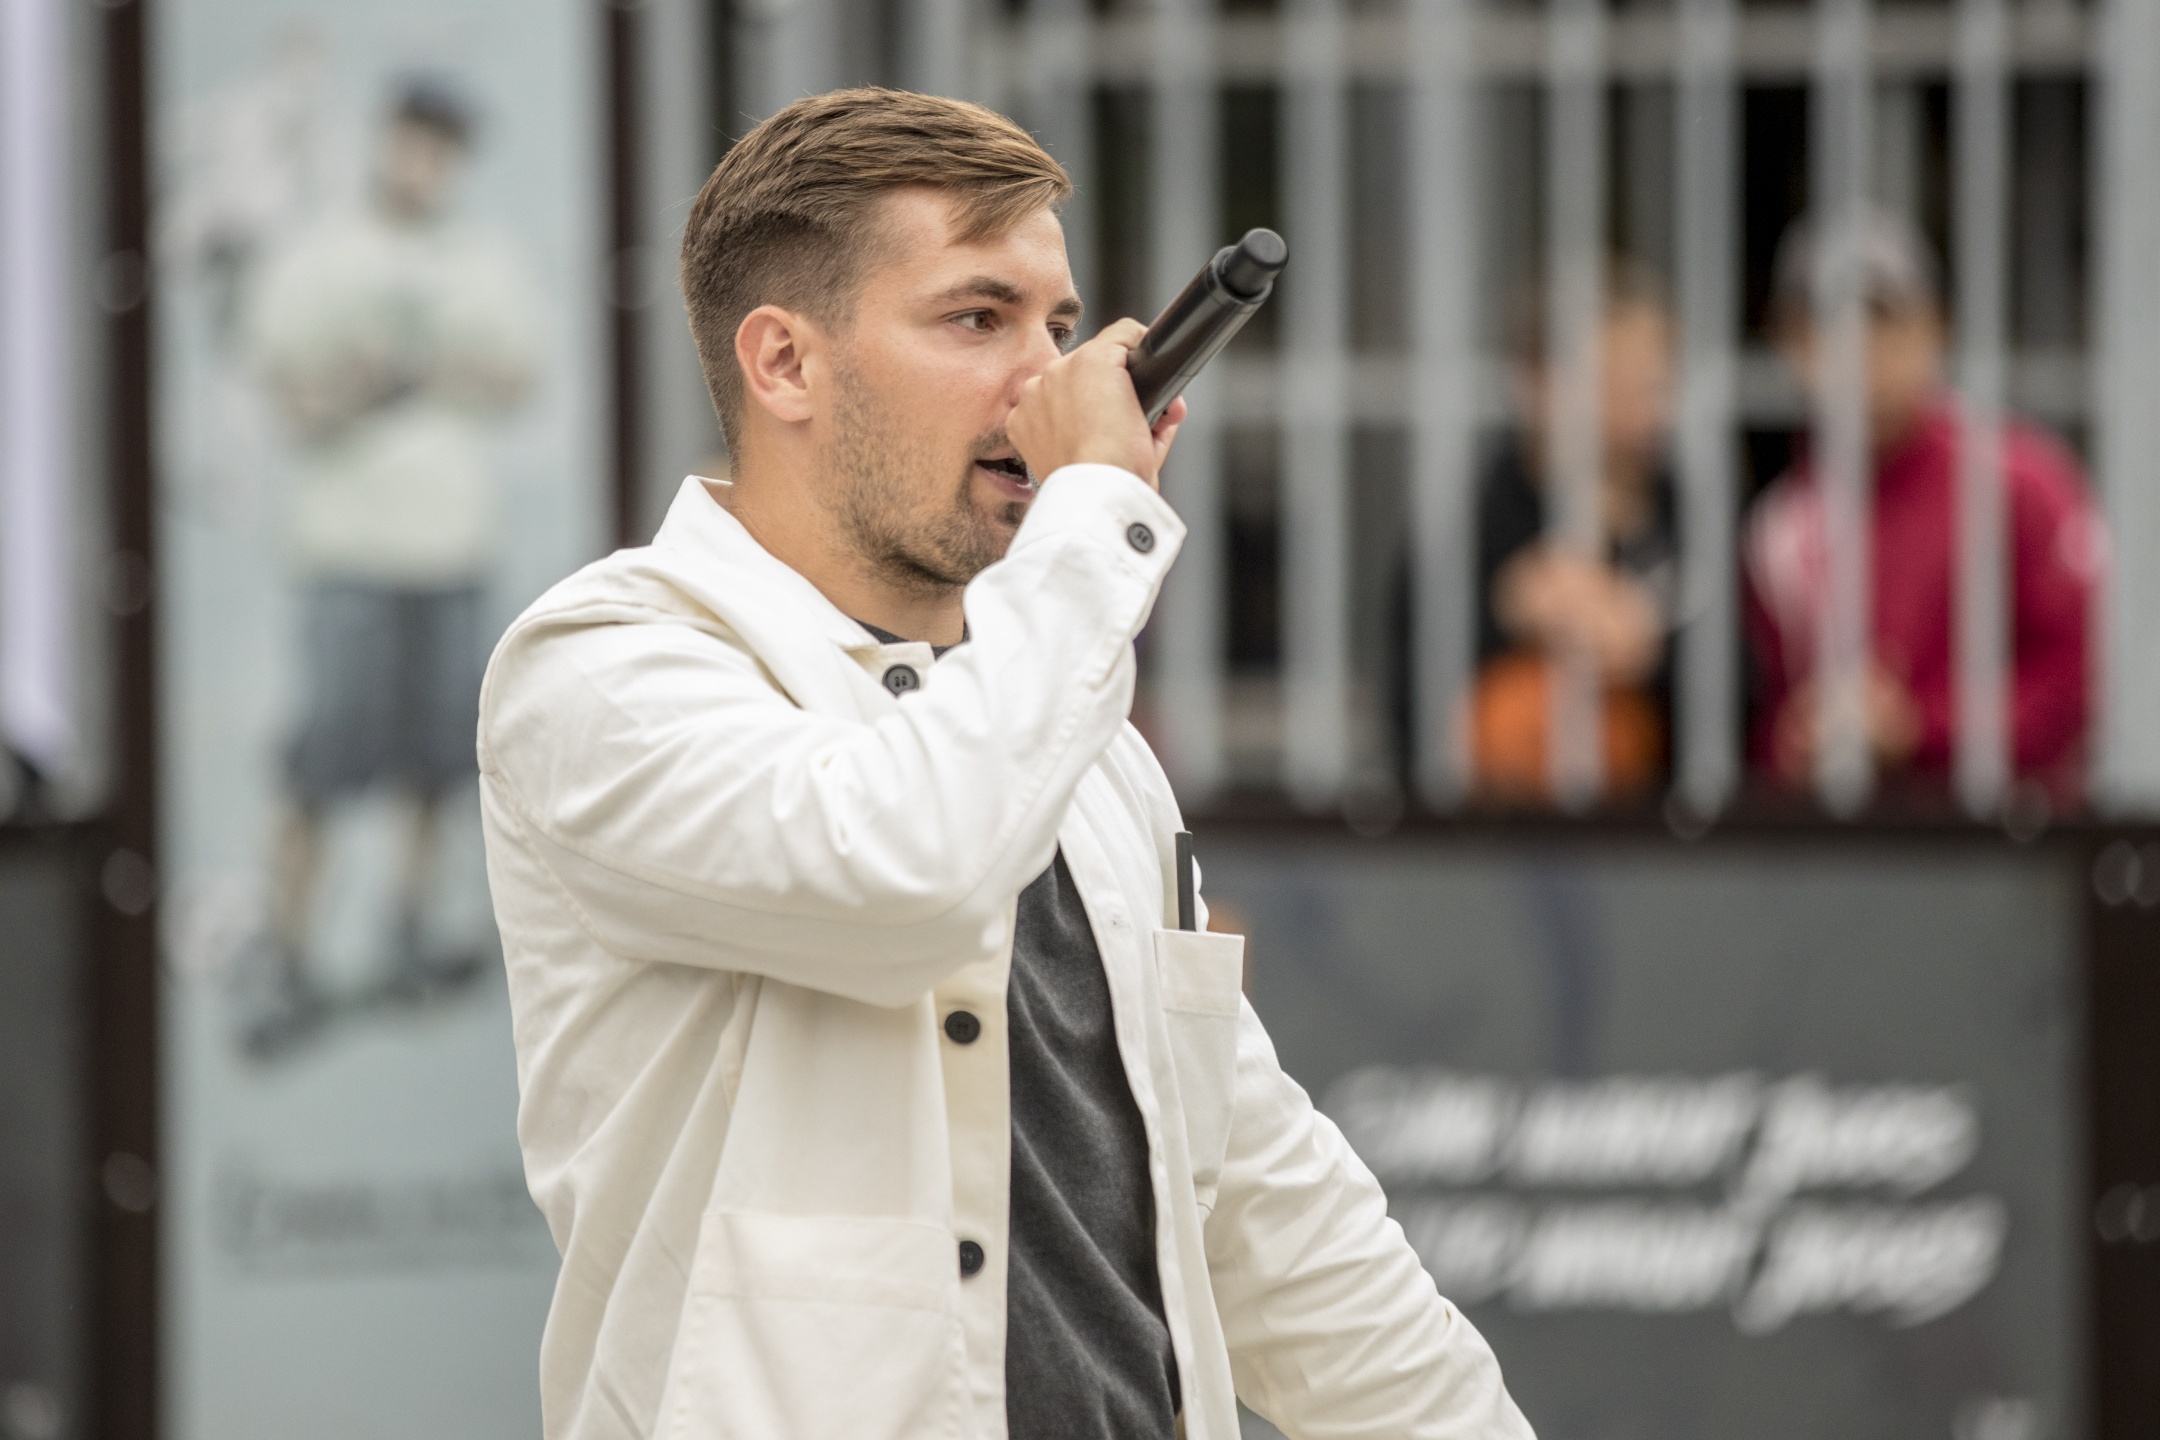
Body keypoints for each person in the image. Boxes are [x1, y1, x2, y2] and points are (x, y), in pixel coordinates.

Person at [479, 90, 1530, 1440]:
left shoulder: (1076, 737)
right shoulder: (601, 669)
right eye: (978, 319)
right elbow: (910, 875)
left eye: (1061, 327)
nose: (1050, 382)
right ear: (785, 364)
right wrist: (1093, 518)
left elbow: (1264, 1205)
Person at [240, 76, 540, 1053]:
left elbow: (519, 377)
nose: (425, 165)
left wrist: (427, 369)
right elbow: (288, 395)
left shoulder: (480, 257)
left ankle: (408, 929)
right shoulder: (324, 254)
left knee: (438, 759)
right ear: (386, 141)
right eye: (415, 142)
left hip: (450, 547)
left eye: (442, 149)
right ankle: (285, 950)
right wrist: (364, 383)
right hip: (349, 551)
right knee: (322, 760)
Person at [1745, 209, 2097, 799]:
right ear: (1789, 345)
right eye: (1830, 327)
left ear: (1936, 329)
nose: (1863, 352)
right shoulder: (1779, 526)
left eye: (1886, 323)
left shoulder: (2023, 483)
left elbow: (2080, 678)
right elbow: (1766, 728)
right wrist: (1803, 741)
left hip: (2014, 836)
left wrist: (1918, 727)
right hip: (1855, 845)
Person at [1468, 261, 1679, 804]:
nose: (1642, 411)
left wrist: (1651, 645)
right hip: (1498, 823)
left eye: (1653, 383)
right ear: (1538, 382)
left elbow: (1744, 688)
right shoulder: (1482, 518)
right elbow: (1412, 690)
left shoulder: (1689, 513)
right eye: (1613, 382)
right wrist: (1509, 609)